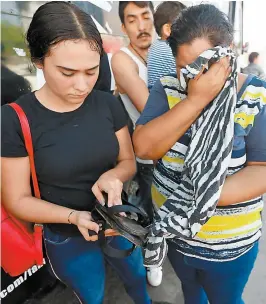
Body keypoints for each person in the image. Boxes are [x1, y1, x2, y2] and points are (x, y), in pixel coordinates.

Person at [1, 2, 151, 304]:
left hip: (116, 222)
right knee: (91, 296)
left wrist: (114, 175)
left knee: (137, 279)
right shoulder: (13, 119)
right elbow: (16, 200)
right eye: (67, 72)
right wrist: (74, 217)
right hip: (65, 235)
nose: (81, 85)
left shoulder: (107, 104)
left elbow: (127, 162)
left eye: (91, 71)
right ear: (39, 61)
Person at [133, 4, 266, 304]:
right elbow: (143, 147)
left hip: (228, 248)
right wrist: (195, 101)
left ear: (228, 51)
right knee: (191, 294)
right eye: (185, 68)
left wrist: (197, 197)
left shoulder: (255, 95)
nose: (194, 77)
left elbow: (261, 168)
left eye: (204, 65)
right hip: (177, 239)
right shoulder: (167, 88)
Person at [111, 1, 163, 287]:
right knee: (152, 213)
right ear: (124, 27)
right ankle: (152, 260)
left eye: (146, 17)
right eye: (132, 20)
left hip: (177, 153)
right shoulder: (122, 59)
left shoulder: (164, 51)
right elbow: (150, 109)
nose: (142, 26)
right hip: (149, 159)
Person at [147, 1, 186, 90]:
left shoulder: (156, 46)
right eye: (185, 28)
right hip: (168, 98)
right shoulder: (169, 50)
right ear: (168, 30)